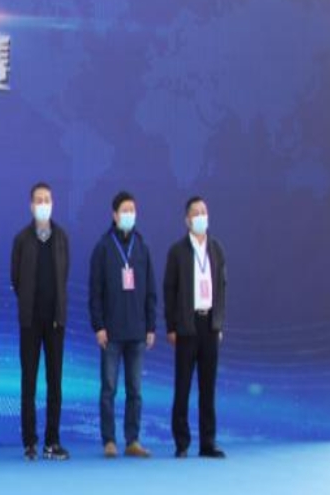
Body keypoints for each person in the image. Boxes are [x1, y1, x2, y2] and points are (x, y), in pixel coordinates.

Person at [89, 190, 157, 459]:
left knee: (135, 390)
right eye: (125, 210)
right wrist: (99, 326)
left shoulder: (141, 247)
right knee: (108, 389)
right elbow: (95, 291)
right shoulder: (103, 247)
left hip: (137, 332)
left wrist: (150, 326)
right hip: (112, 333)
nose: (129, 215)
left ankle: (133, 440)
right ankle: (109, 440)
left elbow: (150, 290)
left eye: (132, 210)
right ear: (115, 215)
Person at [10, 182, 71, 461]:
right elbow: (15, 278)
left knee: (54, 382)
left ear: (52, 204)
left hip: (55, 322)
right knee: (29, 382)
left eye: (47, 199)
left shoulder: (61, 238)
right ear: (31, 206)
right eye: (38, 200)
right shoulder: (22, 239)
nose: (43, 204)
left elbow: (64, 275)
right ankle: (30, 442)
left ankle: (52, 441)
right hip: (30, 322)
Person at [164, 196, 227, 459]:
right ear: (187, 220)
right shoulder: (177, 251)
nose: (201, 216)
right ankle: (182, 442)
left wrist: (219, 322)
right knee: (183, 386)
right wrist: (171, 326)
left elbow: (221, 287)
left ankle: (207, 442)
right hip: (186, 326)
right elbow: (170, 290)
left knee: (207, 387)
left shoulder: (216, 249)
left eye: (204, 211)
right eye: (196, 213)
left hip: (209, 324)